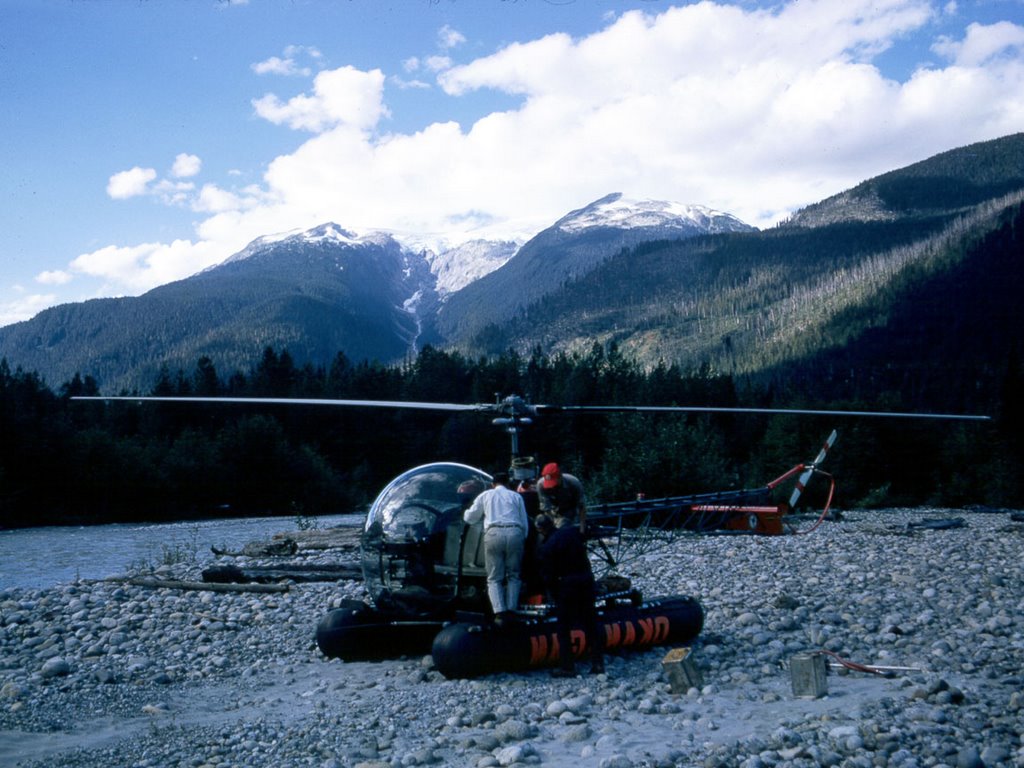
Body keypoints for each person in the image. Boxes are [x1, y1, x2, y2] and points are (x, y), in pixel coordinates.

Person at [536, 509, 604, 677]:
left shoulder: (547, 547)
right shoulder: (571, 533)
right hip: (586, 581)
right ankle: (598, 663)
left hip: (567, 586)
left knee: (563, 628)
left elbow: (549, 576)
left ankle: (568, 666)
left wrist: (552, 595)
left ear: (541, 529)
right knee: (591, 624)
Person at [463, 472, 528, 623]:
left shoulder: (485, 495)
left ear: (493, 484)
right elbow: (524, 522)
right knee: (514, 575)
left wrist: (465, 511)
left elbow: (470, 518)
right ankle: (512, 609)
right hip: (515, 532)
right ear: (508, 483)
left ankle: (500, 612)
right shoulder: (516, 496)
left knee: (494, 577)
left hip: (494, 533)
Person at [537, 463, 587, 533]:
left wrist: (582, 529)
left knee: (564, 527)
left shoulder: (573, 483)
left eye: (553, 483)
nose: (552, 487)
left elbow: (581, 507)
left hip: (569, 511)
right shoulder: (541, 485)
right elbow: (546, 508)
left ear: (560, 476)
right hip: (552, 513)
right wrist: (553, 528)